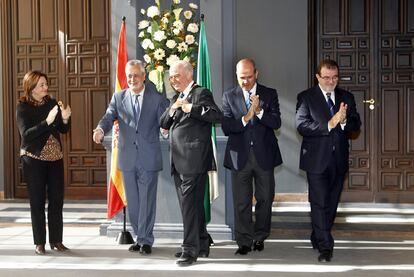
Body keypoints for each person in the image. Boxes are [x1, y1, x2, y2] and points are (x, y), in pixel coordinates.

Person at [93, 60, 169, 255]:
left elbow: (165, 120)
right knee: (134, 202)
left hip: (149, 157)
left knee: (147, 201)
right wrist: (101, 129)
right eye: (129, 76)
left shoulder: (157, 98)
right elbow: (109, 116)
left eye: (136, 75)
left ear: (144, 76)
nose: (132, 79)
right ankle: (138, 236)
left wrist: (166, 129)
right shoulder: (119, 97)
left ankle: (146, 240)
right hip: (127, 158)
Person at [296, 59, 361, 262]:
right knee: (318, 202)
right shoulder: (306, 97)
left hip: (338, 159)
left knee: (331, 204)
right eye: (326, 77)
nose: (331, 81)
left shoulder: (346, 97)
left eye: (334, 77)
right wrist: (330, 123)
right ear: (318, 77)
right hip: (315, 160)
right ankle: (326, 246)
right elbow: (302, 125)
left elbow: (356, 124)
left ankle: (318, 235)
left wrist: (343, 122)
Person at [160, 60, 222, 266]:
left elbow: (216, 115)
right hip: (178, 161)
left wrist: (190, 108)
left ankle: (189, 249)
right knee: (193, 205)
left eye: (176, 75)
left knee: (189, 207)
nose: (173, 80)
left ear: (188, 74)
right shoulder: (176, 97)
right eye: (171, 76)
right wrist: (173, 109)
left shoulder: (200, 93)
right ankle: (202, 242)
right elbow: (163, 123)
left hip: (194, 160)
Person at [222, 58, 283, 255]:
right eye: (241, 78)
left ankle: (260, 236)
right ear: (236, 76)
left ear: (256, 74)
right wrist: (246, 118)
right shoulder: (229, 96)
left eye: (249, 77)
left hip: (264, 155)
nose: (246, 81)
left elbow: (276, 123)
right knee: (242, 201)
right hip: (239, 157)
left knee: (265, 198)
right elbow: (226, 126)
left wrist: (260, 112)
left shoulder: (269, 94)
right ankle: (244, 241)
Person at [16, 71, 72, 255]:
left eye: (46, 84)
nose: (45, 87)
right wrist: (46, 121)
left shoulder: (52, 102)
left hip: (55, 157)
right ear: (31, 87)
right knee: (37, 202)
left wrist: (64, 118)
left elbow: (62, 130)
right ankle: (39, 242)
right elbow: (26, 134)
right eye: (41, 85)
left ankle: (56, 240)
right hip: (33, 159)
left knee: (57, 200)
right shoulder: (23, 107)